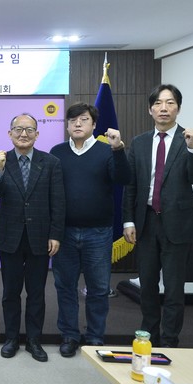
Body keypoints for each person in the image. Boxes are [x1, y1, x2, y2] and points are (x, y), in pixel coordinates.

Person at [123, 84, 193, 348]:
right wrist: (128, 220)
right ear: (150, 109)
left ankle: (170, 340)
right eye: (158, 103)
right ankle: (149, 335)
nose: (164, 108)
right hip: (146, 222)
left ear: (178, 108)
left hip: (177, 224)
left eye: (170, 103)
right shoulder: (139, 142)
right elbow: (131, 185)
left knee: (173, 288)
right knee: (148, 285)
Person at [49, 102, 130, 357]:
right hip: (64, 233)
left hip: (99, 232)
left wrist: (118, 149)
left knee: (98, 289)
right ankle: (69, 335)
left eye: (83, 119)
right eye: (73, 120)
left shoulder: (107, 150)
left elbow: (123, 179)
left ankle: (95, 336)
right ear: (67, 125)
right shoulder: (57, 152)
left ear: (94, 124)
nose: (77, 124)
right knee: (65, 287)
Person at [0, 113, 65, 362]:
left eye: (29, 130)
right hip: (9, 236)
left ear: (37, 134)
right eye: (18, 129)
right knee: (10, 292)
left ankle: (34, 340)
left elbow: (58, 202)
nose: (23, 134)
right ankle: (11, 338)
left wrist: (55, 234)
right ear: (9, 133)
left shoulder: (50, 162)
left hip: (40, 236)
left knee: (36, 293)